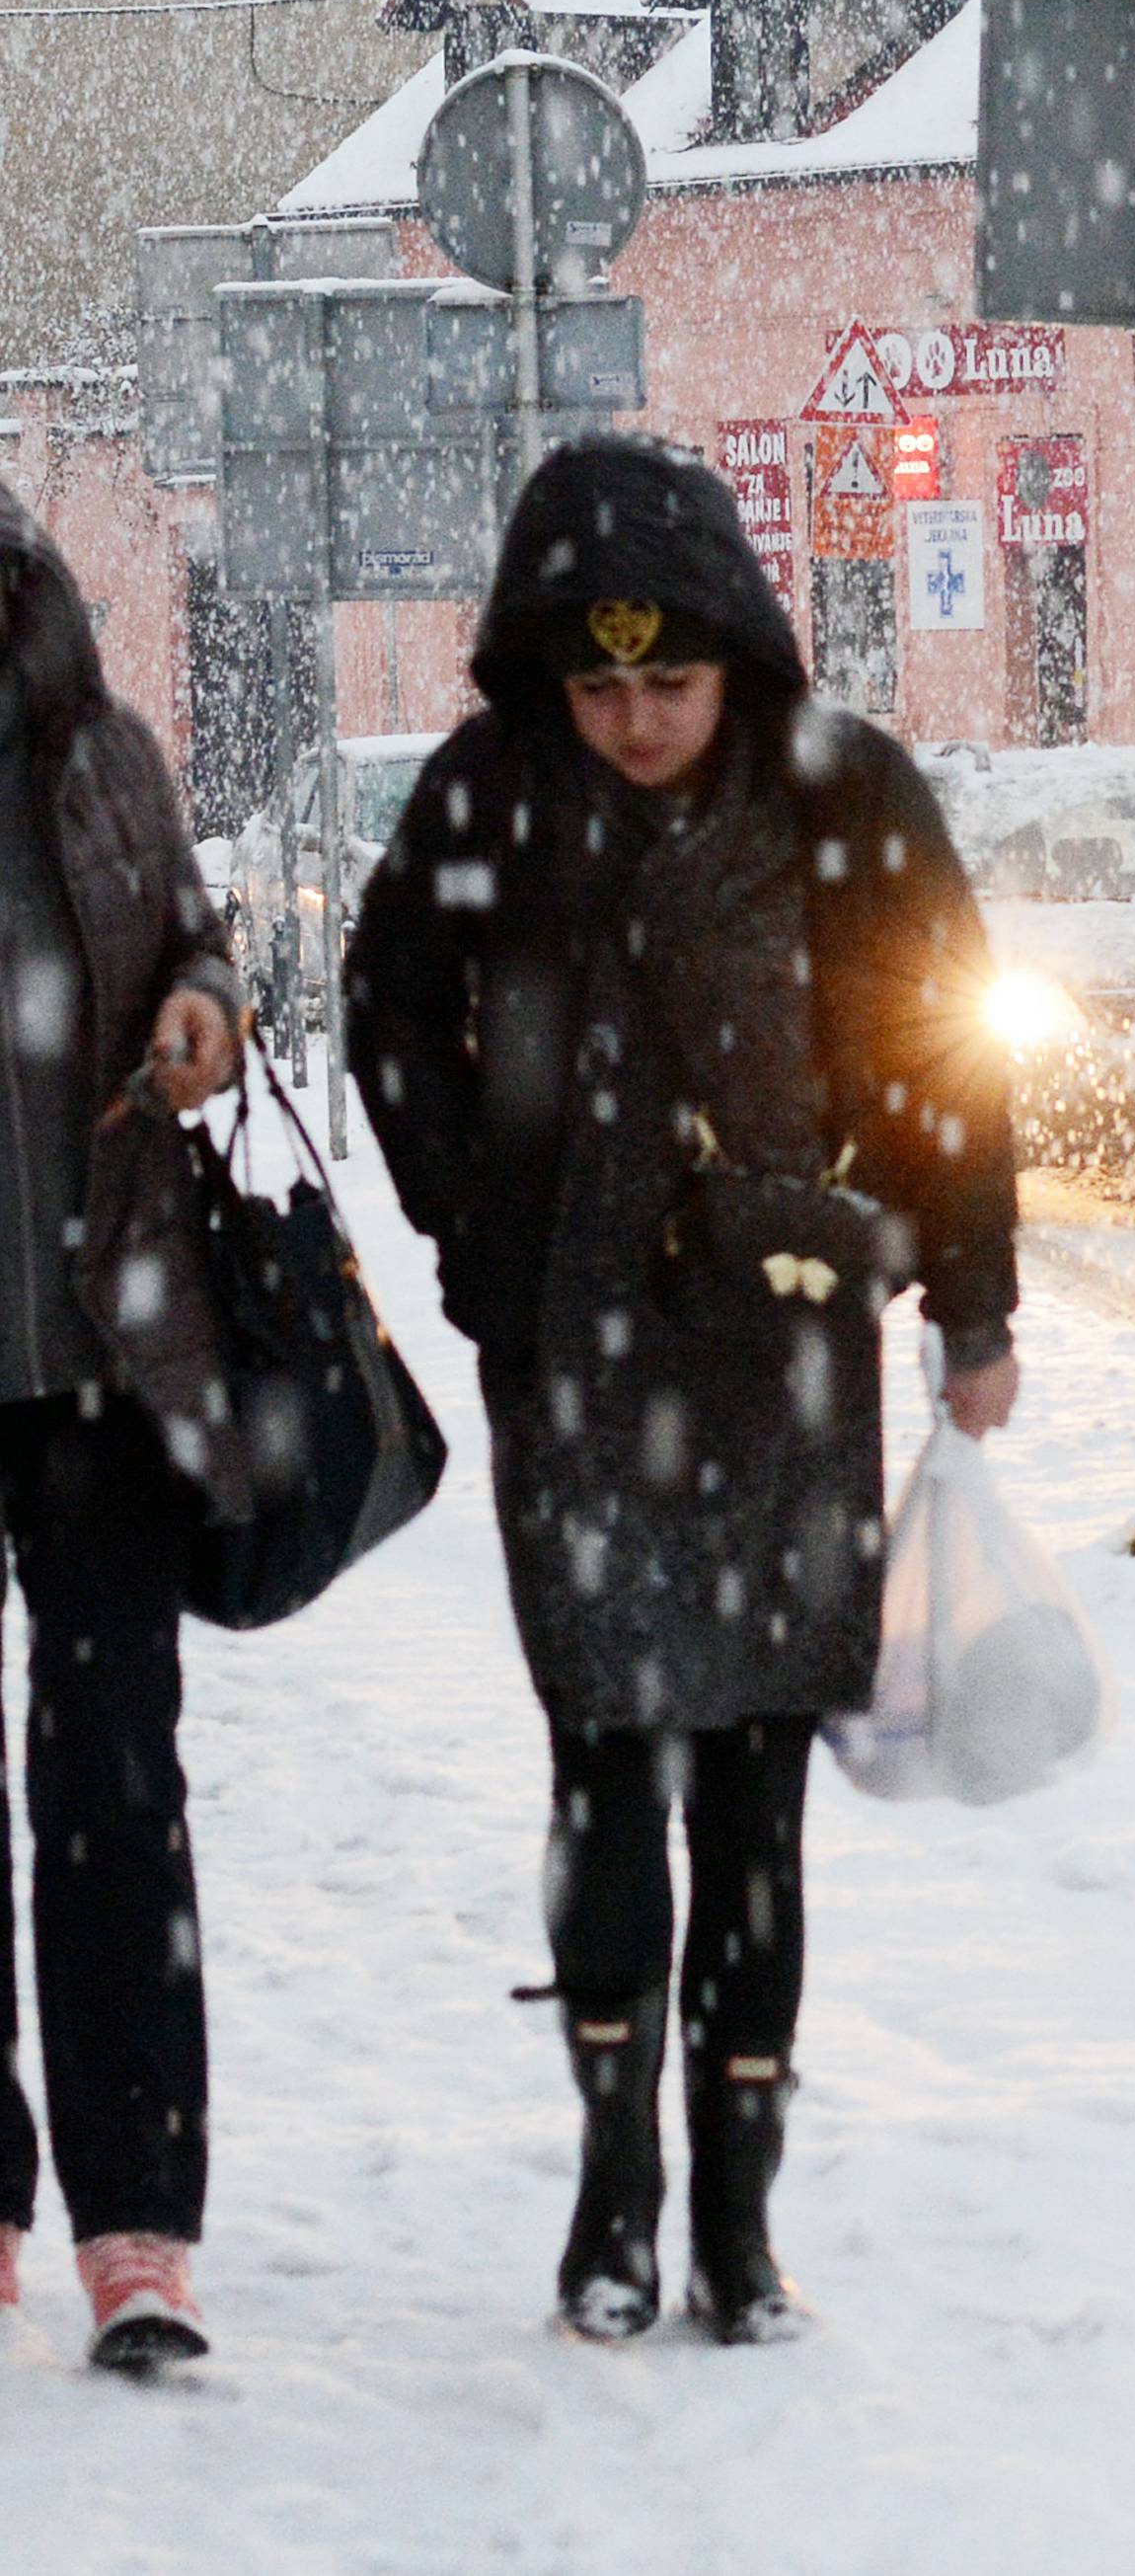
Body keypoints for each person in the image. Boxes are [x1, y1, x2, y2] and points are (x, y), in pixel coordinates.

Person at [347, 434, 1019, 2345]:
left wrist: (962, 1297)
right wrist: (475, 1227)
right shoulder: (492, 795)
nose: (636, 719)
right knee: (600, 1772)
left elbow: (951, 1050)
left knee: (752, 1797)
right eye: (601, 683)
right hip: (573, 1363)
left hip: (784, 1353)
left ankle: (738, 2210)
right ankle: (611, 2192)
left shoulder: (841, 790)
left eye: (670, 678)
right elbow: (391, 1004)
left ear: (734, 652)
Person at [0, 484, 242, 2368]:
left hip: (98, 1358)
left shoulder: (102, 764)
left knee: (115, 1791)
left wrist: (202, 1006)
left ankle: (137, 2227)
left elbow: (196, 940)